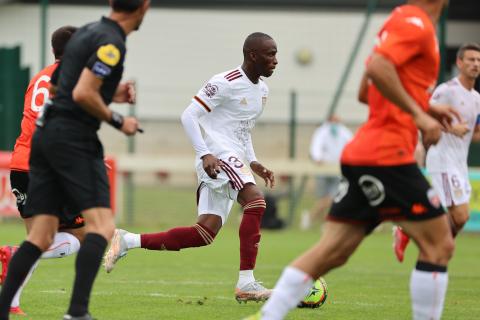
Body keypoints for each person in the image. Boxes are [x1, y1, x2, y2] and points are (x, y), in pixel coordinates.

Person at [245, 1, 459, 319]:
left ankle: (267, 316)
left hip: (364, 154)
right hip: (387, 156)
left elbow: (365, 90)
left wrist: (426, 106)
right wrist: (420, 114)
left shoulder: (402, 19)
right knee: (440, 244)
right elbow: (377, 70)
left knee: (331, 251)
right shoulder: (416, 22)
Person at [0, 0, 149, 319]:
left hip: (39, 142)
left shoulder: (85, 36)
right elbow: (81, 94)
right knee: (102, 228)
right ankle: (77, 312)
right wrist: (120, 120)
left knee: (40, 236)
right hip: (72, 141)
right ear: (144, 7)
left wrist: (110, 93)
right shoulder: (110, 42)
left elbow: (60, 88)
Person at [103, 32, 278, 303]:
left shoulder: (262, 90)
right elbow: (189, 115)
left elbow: (243, 130)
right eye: (270, 54)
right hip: (217, 155)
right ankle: (246, 283)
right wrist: (205, 153)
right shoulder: (225, 82)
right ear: (252, 55)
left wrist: (253, 161)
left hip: (234, 157)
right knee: (256, 203)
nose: (275, 60)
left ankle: (127, 240)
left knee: (204, 233)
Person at [0, 25, 81, 317]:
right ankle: (16, 254)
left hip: (22, 165)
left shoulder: (37, 78)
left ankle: (11, 303)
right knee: (83, 235)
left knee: (36, 236)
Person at [393, 42, 480, 262]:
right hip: (442, 158)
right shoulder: (446, 90)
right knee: (461, 215)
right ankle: (433, 247)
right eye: (470, 59)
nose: (475, 64)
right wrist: (451, 128)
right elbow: (422, 116)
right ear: (459, 63)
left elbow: (474, 133)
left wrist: (469, 132)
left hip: (459, 162)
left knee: (457, 220)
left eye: (478, 60)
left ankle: (416, 237)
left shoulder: (477, 99)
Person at [300, 115, 352, 230]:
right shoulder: (322, 131)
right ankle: (322, 221)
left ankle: (311, 217)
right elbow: (316, 146)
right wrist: (317, 158)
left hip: (337, 169)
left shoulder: (344, 131)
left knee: (332, 197)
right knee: (324, 198)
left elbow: (350, 145)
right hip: (323, 169)